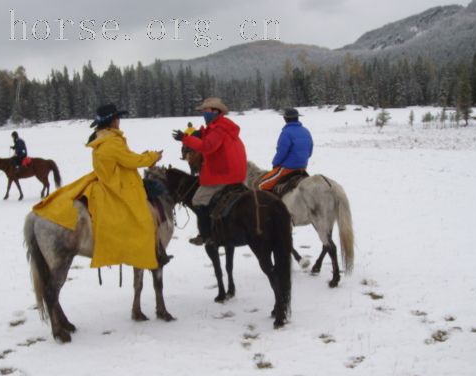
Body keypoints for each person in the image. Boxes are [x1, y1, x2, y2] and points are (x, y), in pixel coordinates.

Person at [32, 103, 169, 269]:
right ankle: (147, 252)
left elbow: (123, 159)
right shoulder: (112, 142)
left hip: (104, 179)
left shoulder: (100, 138)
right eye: (117, 118)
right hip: (118, 184)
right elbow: (132, 161)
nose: (119, 121)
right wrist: (153, 156)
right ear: (112, 121)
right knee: (144, 219)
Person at [172, 97, 247, 245]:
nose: (203, 113)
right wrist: (199, 134)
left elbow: (207, 146)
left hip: (223, 175)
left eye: (205, 111)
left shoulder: (218, 129)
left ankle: (207, 234)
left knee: (197, 200)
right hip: (236, 173)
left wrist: (186, 139)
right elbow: (208, 136)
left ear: (215, 111)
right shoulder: (222, 126)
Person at [258, 108, 313, 191]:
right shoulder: (306, 131)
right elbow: (310, 151)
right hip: (302, 168)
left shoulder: (286, 133)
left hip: (287, 168)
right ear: (297, 118)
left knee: (262, 185)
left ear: (285, 119)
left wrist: (275, 164)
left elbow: (281, 152)